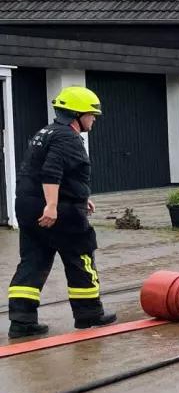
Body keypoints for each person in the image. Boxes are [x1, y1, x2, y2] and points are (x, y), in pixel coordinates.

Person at [8, 87, 116, 337]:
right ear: (77, 114)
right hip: (59, 211)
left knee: (33, 261)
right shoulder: (68, 137)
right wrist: (53, 205)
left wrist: (81, 197)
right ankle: (89, 315)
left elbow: (41, 171)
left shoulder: (45, 133)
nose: (94, 119)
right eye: (91, 114)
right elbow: (52, 171)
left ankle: (22, 322)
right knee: (81, 257)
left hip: (28, 207)